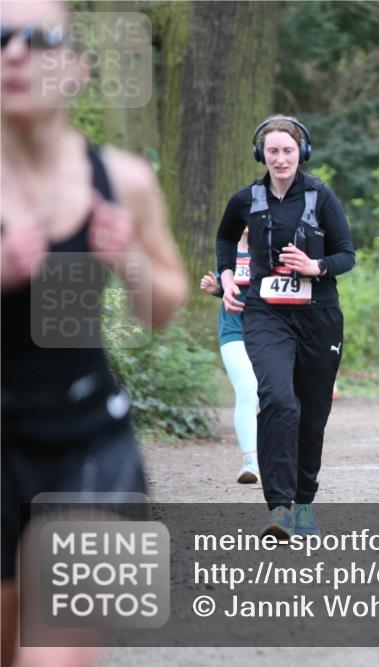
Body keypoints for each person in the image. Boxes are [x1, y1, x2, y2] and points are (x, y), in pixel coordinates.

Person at [1, 1, 187, 664]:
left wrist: (130, 261)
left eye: (39, 38)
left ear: (77, 69)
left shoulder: (124, 181)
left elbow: (166, 304)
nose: (15, 54)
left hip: (91, 444)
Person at [216, 115, 354, 538]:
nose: (279, 159)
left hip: (319, 317)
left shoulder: (321, 195)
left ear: (301, 154)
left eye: (287, 151)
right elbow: (225, 239)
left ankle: (305, 502)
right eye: (272, 151)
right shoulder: (246, 199)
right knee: (277, 399)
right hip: (266, 314)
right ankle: (279, 508)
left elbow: (346, 254)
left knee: (312, 416)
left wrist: (316, 266)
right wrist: (225, 277)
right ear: (262, 154)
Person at [199, 227, 260, 484]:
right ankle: (250, 462)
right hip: (234, 332)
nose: (248, 223)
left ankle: (275, 455)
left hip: (270, 333)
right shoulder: (228, 253)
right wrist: (215, 289)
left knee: (272, 396)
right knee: (247, 389)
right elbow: (228, 289)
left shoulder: (275, 249)